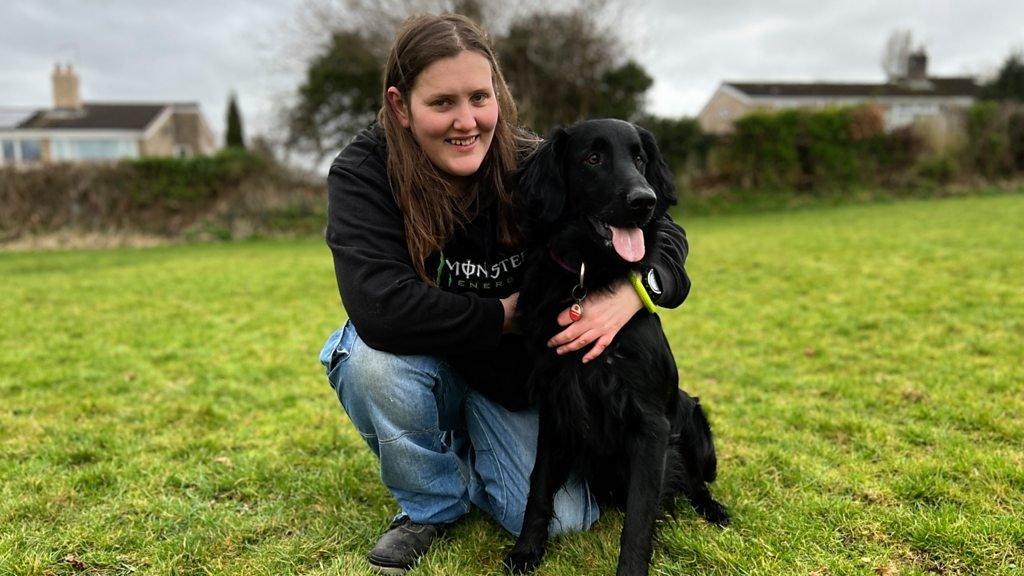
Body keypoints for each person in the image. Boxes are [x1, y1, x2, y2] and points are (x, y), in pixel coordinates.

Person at [318, 13, 692, 574]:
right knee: (372, 366)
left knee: (564, 519)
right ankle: (429, 506)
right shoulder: (364, 172)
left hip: (507, 382)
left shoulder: (531, 160)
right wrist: (510, 314)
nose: (466, 121)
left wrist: (633, 293)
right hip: (416, 356)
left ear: (498, 96)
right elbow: (381, 307)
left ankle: (466, 449)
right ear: (400, 106)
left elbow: (663, 232)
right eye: (442, 102)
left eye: (479, 97)